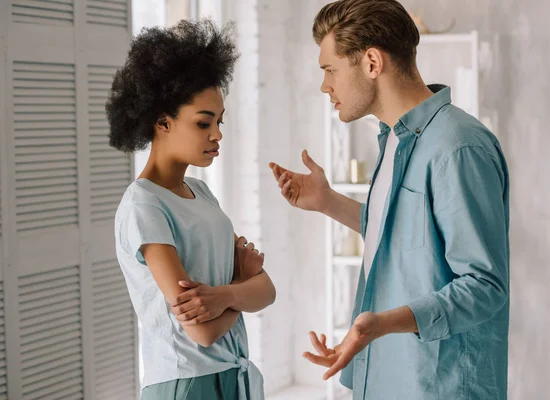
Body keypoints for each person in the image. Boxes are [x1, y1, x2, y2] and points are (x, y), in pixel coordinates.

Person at [269, 0, 510, 399]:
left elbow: (484, 285)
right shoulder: (395, 140)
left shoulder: (457, 147)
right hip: (388, 377)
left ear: (371, 62)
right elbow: (408, 237)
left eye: (330, 70)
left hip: (439, 386)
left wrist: (382, 323)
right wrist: (327, 201)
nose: (324, 86)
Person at [108, 20, 275, 400]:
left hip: (234, 375)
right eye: (203, 123)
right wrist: (240, 290)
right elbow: (201, 331)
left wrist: (225, 297)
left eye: (219, 121)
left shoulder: (201, 193)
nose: (217, 134)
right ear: (163, 122)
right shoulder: (143, 206)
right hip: (187, 385)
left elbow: (268, 290)